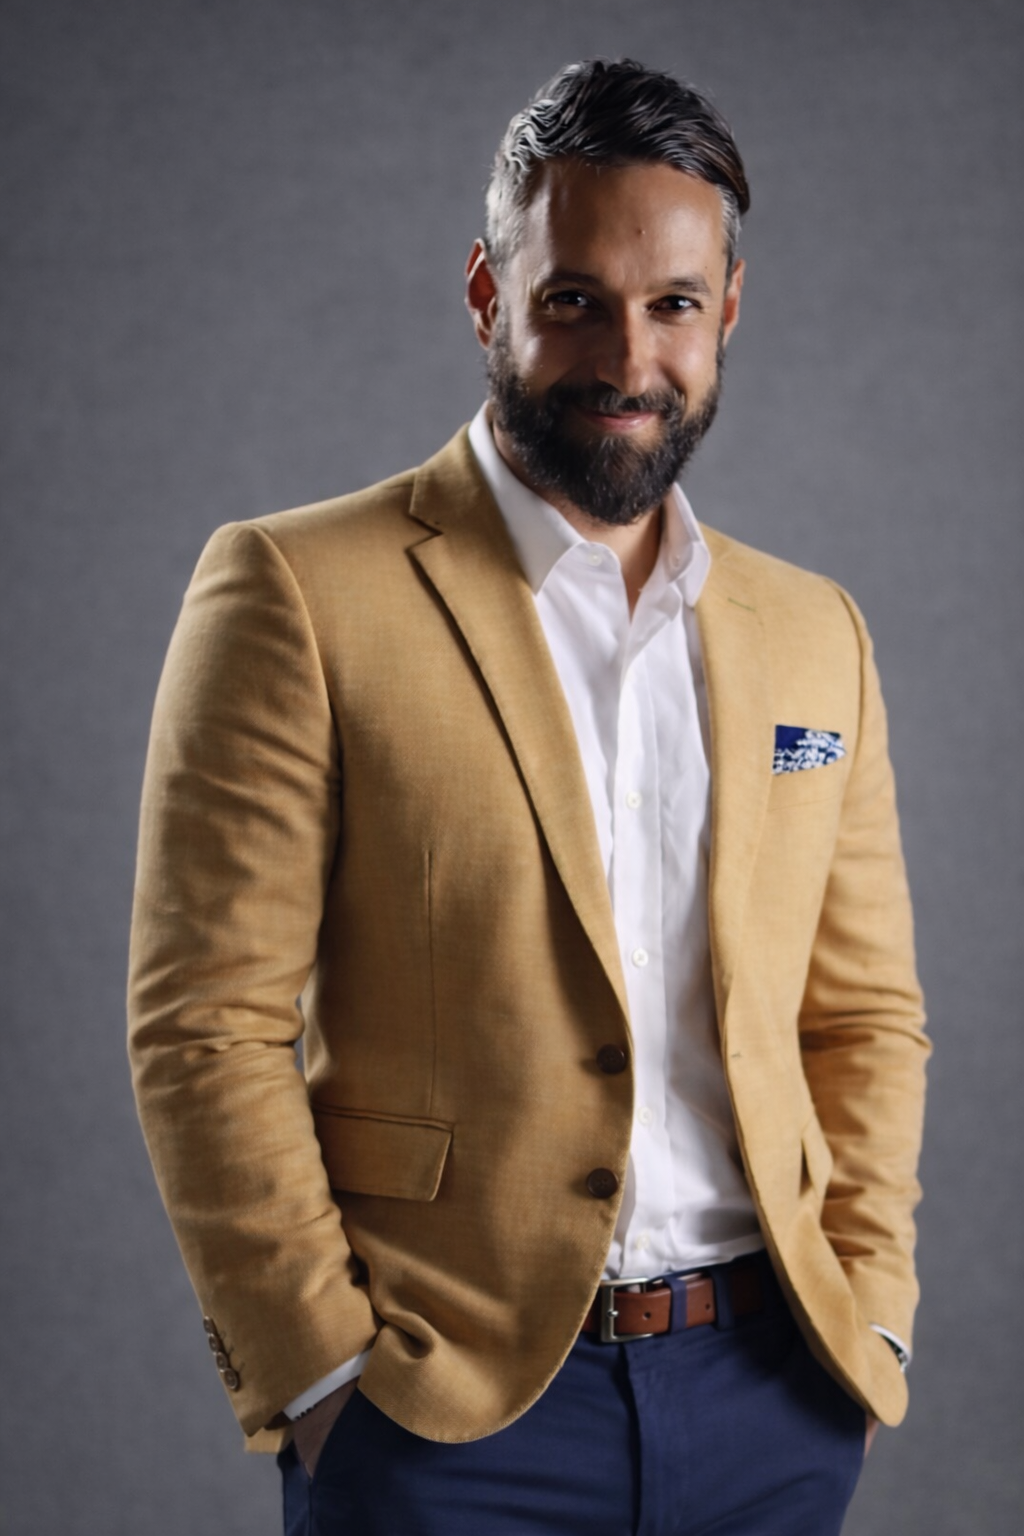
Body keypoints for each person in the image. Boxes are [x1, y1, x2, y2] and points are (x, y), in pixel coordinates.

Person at [128, 58, 928, 1536]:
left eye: (673, 304)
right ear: (489, 295)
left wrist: (869, 1320)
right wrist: (321, 1378)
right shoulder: (298, 591)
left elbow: (863, 1017)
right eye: (574, 300)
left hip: (775, 1399)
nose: (628, 357)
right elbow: (205, 1023)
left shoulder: (817, 633)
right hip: (445, 1420)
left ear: (728, 312)